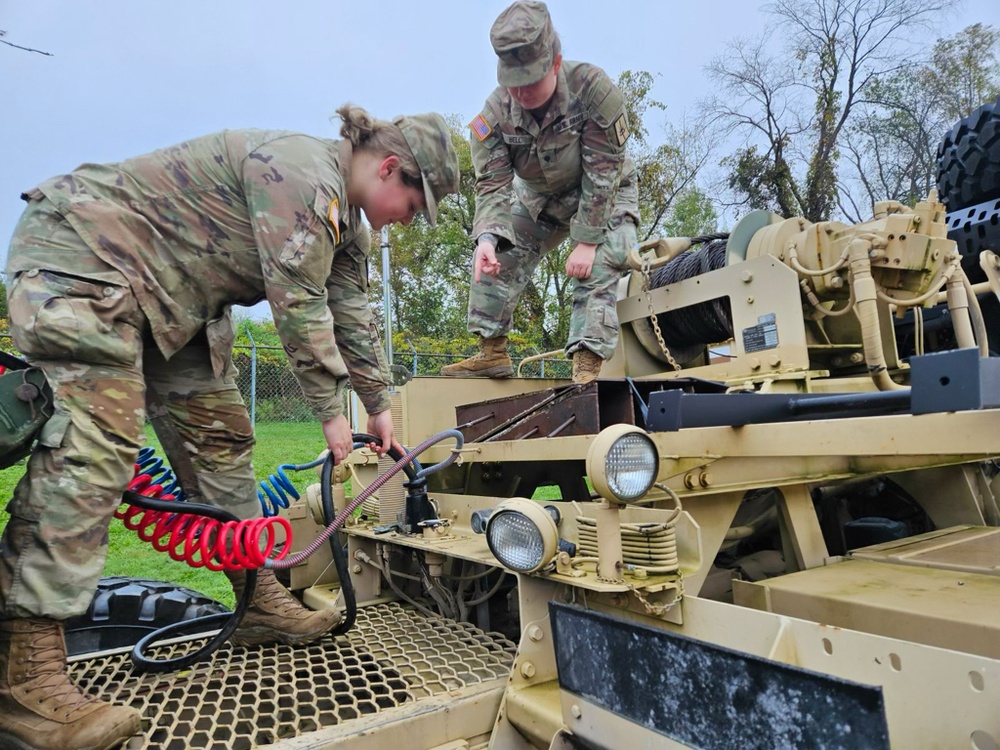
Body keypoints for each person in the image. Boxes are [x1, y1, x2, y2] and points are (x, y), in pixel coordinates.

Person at [0, 105, 459, 750]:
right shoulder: (302, 173)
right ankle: (27, 675)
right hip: (87, 257)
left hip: (172, 298)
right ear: (389, 168)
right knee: (94, 444)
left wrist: (377, 406)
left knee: (220, 439)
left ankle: (256, 600)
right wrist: (332, 414)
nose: (406, 221)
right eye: (413, 205)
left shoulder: (345, 226)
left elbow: (350, 310)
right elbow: (297, 302)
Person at [441, 0, 639, 384]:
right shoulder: (492, 117)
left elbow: (603, 173)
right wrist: (486, 237)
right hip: (539, 202)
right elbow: (492, 185)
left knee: (601, 260)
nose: (523, 93)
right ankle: (491, 351)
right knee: (493, 256)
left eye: (531, 80)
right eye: (513, 84)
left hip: (604, 194)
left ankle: (586, 357)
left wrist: (586, 241)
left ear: (555, 63)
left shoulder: (593, 91)